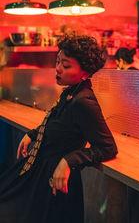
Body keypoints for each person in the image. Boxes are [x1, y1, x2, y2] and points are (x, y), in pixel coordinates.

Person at [0, 35, 118, 223]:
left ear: (85, 72)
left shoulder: (84, 101)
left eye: (66, 65)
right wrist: (33, 134)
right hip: (41, 171)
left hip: (53, 180)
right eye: (57, 62)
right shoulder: (71, 91)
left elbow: (108, 147)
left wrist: (68, 160)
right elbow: (58, 125)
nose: (58, 68)